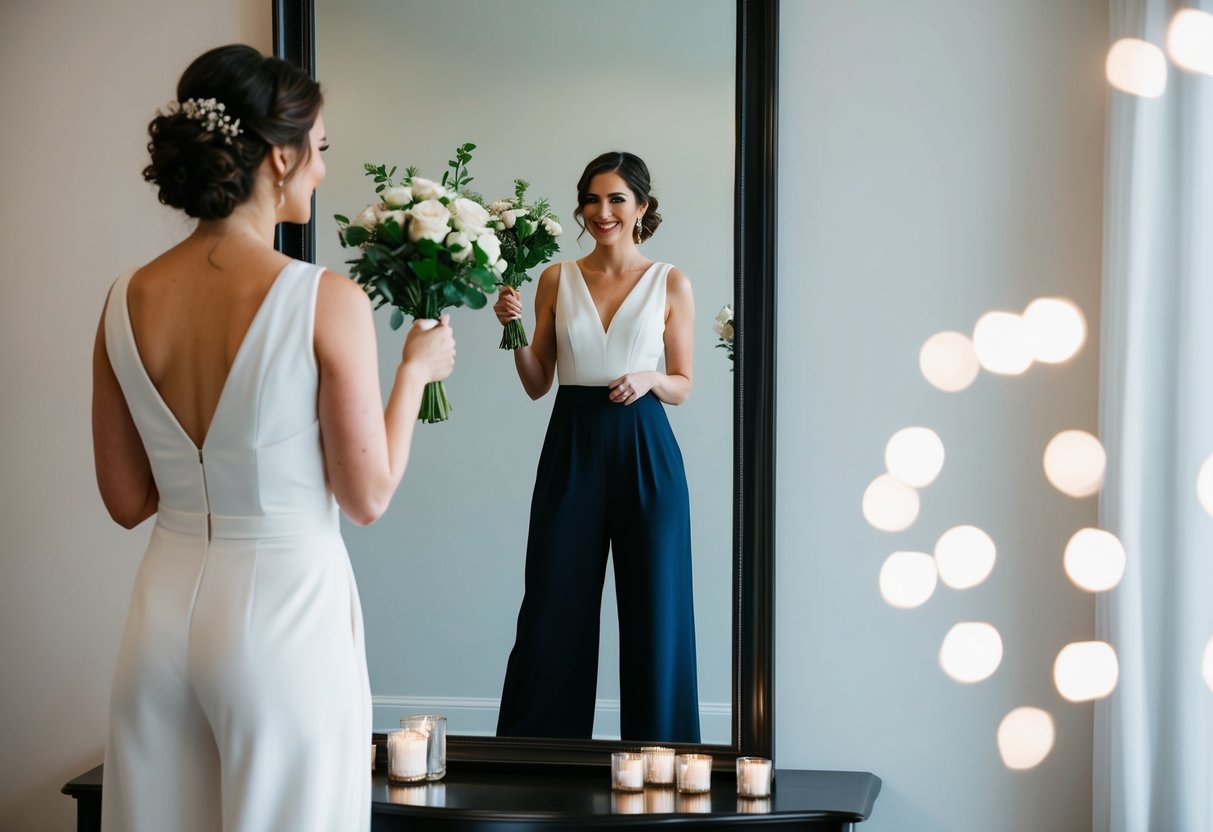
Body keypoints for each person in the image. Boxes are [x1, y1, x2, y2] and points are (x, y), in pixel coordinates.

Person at [91, 44, 455, 831]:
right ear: (280, 157)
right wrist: (414, 373)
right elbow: (367, 496)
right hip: (284, 622)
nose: (322, 169)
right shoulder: (325, 298)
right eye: (318, 148)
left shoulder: (124, 298)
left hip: (158, 625)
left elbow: (125, 500)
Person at [493, 151, 700, 743]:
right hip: (572, 443)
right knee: (553, 602)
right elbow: (538, 383)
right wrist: (511, 330)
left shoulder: (670, 281)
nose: (602, 211)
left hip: (645, 445)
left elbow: (683, 385)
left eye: (615, 199)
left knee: (656, 608)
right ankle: (539, 760)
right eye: (591, 199)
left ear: (641, 207)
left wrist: (651, 378)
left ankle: (660, 757)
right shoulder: (555, 278)